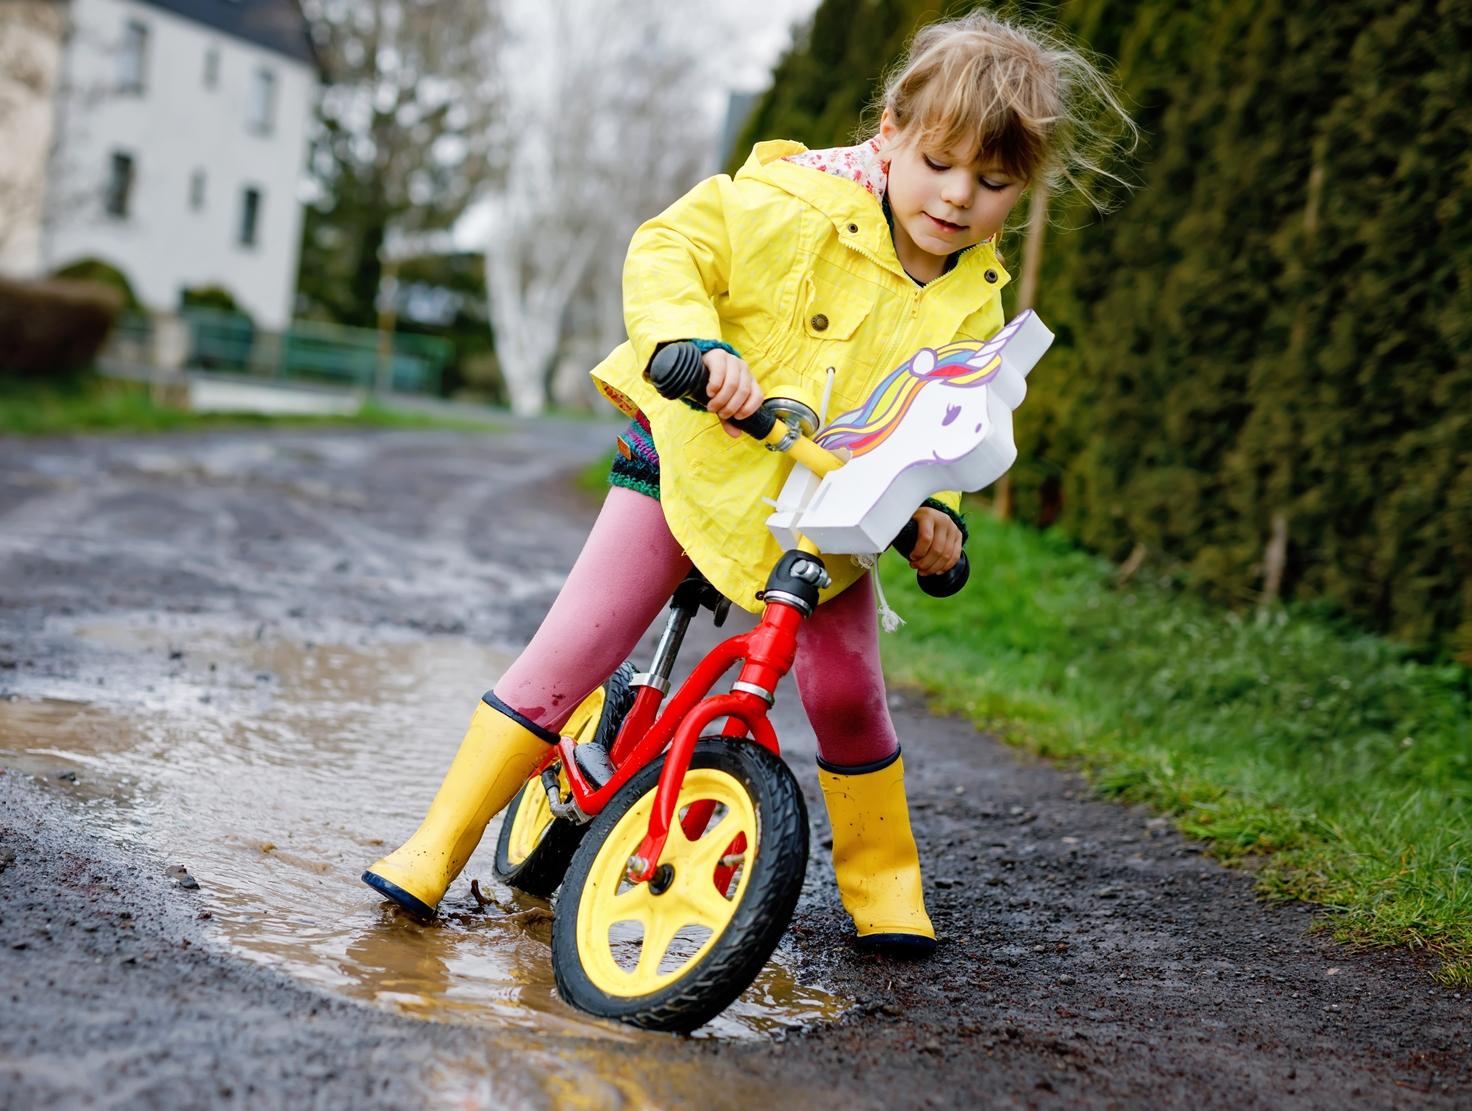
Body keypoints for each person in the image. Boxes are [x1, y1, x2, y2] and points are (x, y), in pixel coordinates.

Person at [364, 11, 1134, 953]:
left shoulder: (975, 298)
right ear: (890, 131)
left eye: (993, 182)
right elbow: (669, 247)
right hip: (696, 457)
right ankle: (435, 845)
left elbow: (952, 418)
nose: (956, 196)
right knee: (574, 650)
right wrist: (694, 344)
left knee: (849, 694)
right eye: (940, 162)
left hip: (830, 508)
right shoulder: (788, 201)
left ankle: (883, 882)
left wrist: (936, 514)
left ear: (1023, 190)